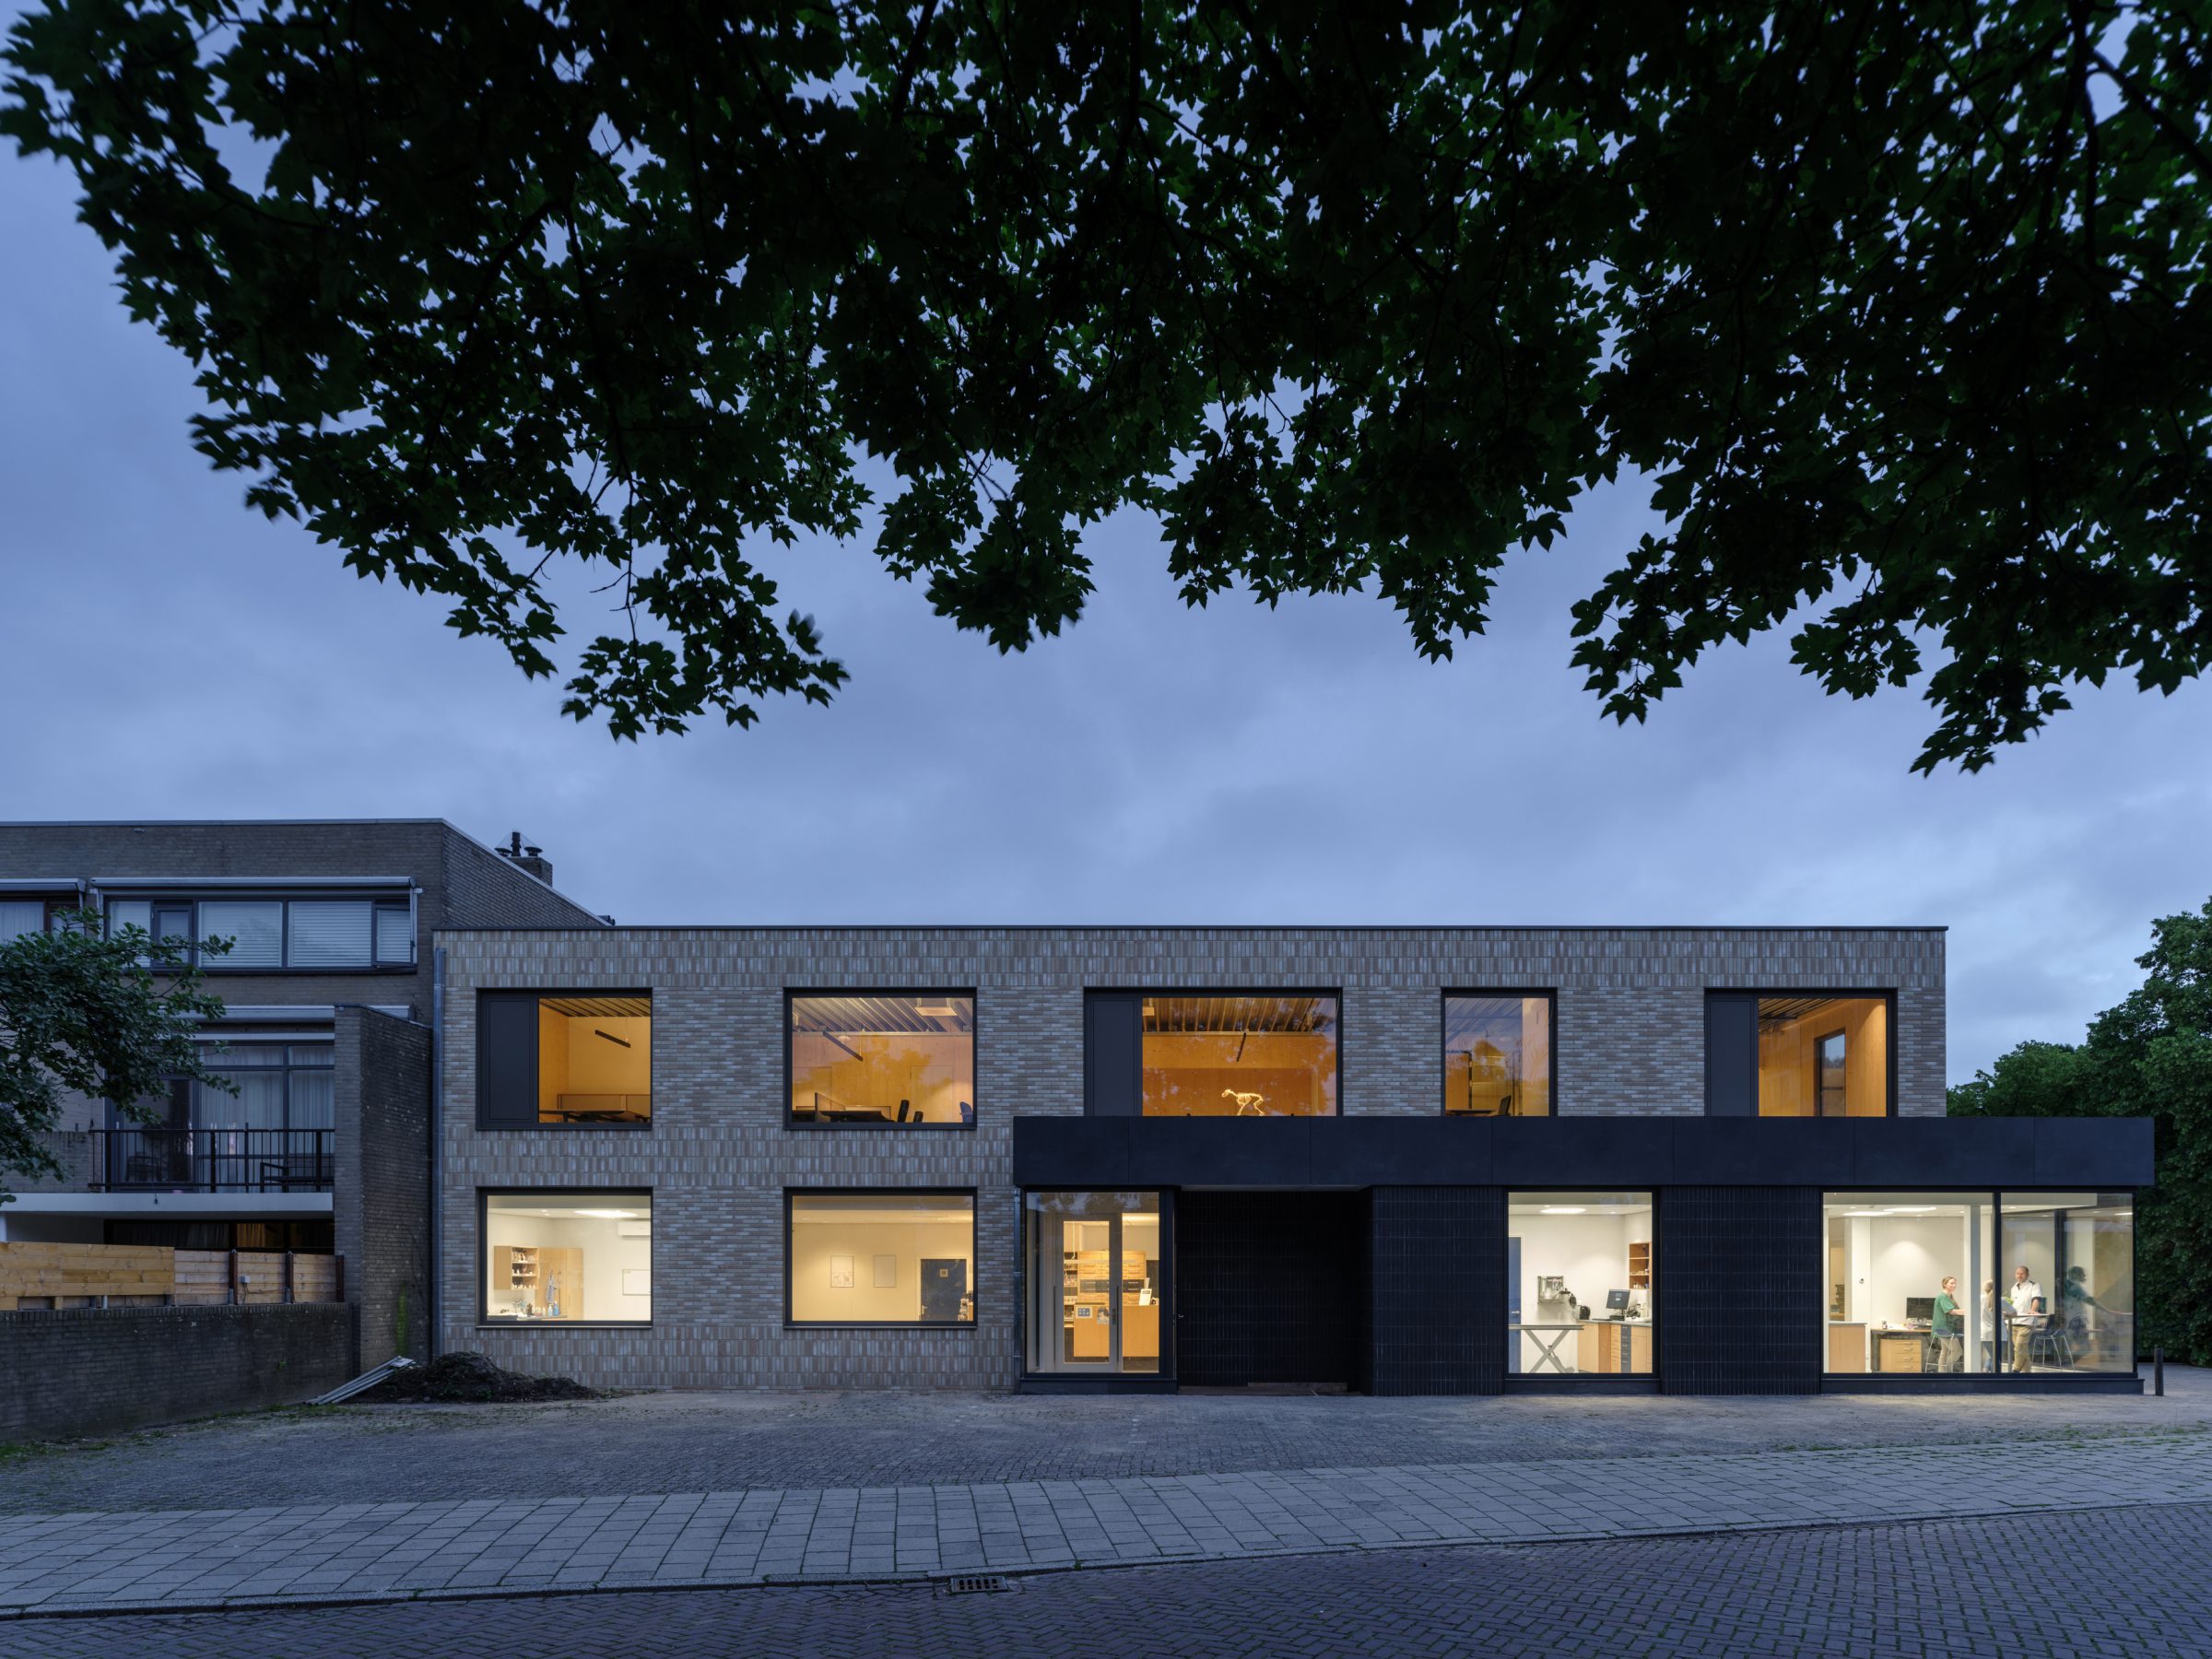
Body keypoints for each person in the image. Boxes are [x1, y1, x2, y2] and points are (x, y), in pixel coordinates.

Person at [2008, 1265, 2045, 1372]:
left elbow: (2036, 1299)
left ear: (2027, 1275)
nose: (2019, 1275)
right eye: (2017, 1273)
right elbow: (2012, 1303)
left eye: (2022, 1273)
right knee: (2022, 1349)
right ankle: (2027, 1373)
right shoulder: (2014, 1287)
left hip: (2026, 1321)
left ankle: (2015, 1370)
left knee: (2019, 1347)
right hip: (2013, 1321)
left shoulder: (2034, 1285)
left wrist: (2033, 1310)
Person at [1931, 1276, 1963, 1372]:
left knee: (1944, 1352)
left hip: (1944, 1329)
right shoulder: (1942, 1297)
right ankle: (1948, 1371)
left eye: (1955, 1283)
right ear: (1945, 1284)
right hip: (1944, 1329)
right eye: (1951, 1283)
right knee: (1957, 1351)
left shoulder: (1949, 1297)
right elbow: (1952, 1311)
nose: (1954, 1285)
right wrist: (1969, 1311)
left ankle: (1942, 1373)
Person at [1980, 1280, 1999, 1371]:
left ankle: (1986, 1370)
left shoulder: (1980, 1298)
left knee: (1993, 1355)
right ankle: (1989, 1372)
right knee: (1996, 1355)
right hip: (1996, 1333)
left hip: (1984, 1332)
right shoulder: (1999, 1299)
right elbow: (2013, 1312)